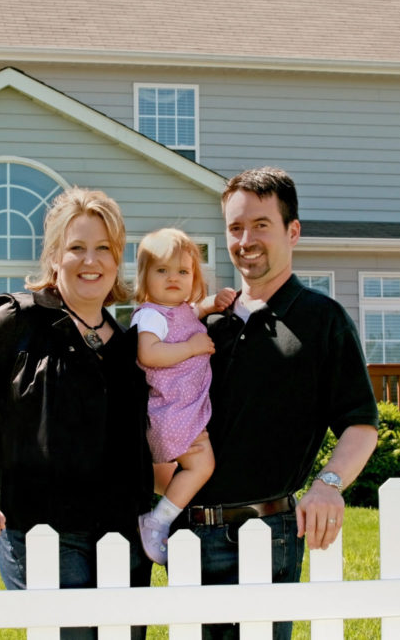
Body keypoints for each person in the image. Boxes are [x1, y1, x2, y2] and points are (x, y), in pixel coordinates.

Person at [0, 187, 154, 640]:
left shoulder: (132, 344)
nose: (91, 261)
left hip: (123, 538)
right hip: (43, 534)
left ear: (117, 259)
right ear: (54, 257)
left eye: (104, 248)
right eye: (77, 248)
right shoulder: (17, 321)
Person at [181, 167, 380, 640]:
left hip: (267, 535)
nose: (246, 239)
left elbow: (360, 424)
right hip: (189, 535)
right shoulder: (205, 324)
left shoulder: (321, 319)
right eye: (235, 228)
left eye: (261, 225)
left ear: (293, 231)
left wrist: (329, 484)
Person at [130, 227, 236, 564]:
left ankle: (162, 516)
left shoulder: (181, 310)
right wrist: (191, 347)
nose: (173, 278)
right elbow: (148, 353)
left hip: (182, 407)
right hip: (171, 410)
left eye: (183, 271)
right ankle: (158, 520)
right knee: (202, 464)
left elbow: (195, 311)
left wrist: (212, 304)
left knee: (199, 465)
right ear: (144, 278)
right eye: (162, 270)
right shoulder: (151, 315)